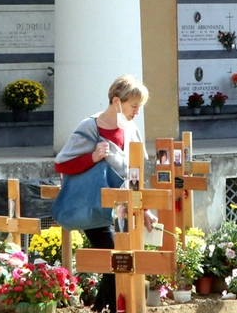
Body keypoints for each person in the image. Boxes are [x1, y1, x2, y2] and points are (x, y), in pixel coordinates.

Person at [54, 75, 155, 313]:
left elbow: (135, 174)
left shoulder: (131, 131)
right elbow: (62, 164)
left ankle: (103, 308)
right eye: (134, 106)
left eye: (140, 107)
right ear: (117, 102)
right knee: (117, 259)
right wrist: (92, 157)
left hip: (122, 210)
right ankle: (103, 308)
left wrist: (146, 210)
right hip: (95, 210)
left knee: (120, 261)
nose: (137, 112)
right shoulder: (89, 127)